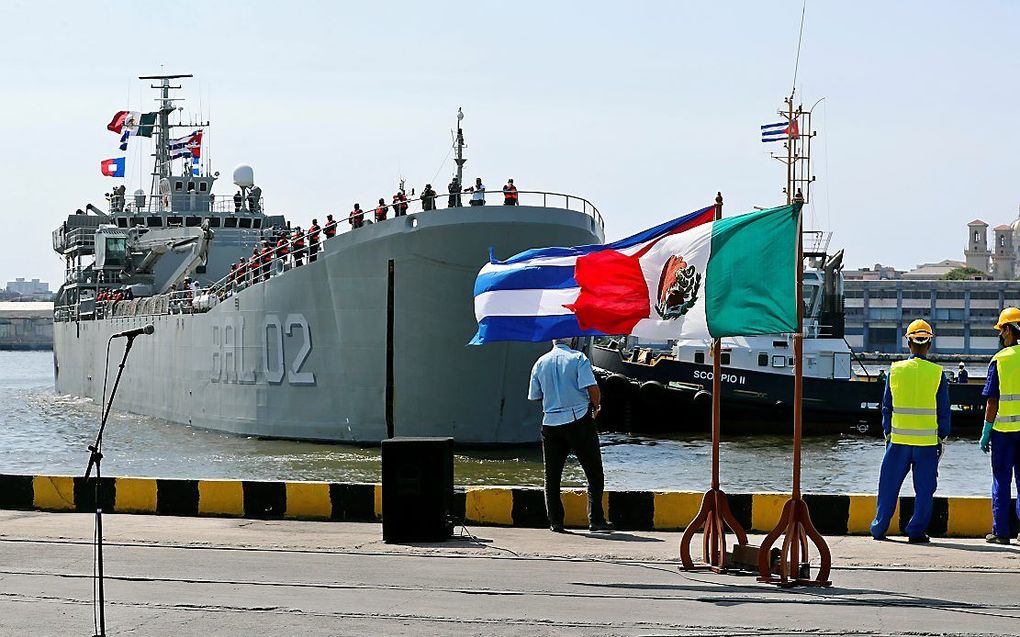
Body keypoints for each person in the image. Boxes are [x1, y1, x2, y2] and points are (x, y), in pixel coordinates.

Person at [870, 320, 950, 543]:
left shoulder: (894, 371)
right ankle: (915, 531)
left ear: (908, 343)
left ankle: (879, 528)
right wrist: (941, 437)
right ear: (929, 344)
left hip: (898, 441)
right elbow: (943, 411)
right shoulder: (937, 373)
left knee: (888, 486)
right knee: (925, 490)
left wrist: (888, 433)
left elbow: (887, 407)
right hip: (926, 444)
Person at [528, 337, 612, 533]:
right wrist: (596, 406)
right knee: (593, 472)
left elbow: (535, 395)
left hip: (550, 423)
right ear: (573, 341)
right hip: (579, 419)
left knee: (552, 476)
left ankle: (556, 522)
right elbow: (592, 388)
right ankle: (596, 520)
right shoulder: (578, 358)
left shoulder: (540, 362)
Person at [980, 307, 1020, 544]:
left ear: (1008, 329)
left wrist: (986, 432)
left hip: (1003, 434)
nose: (1001, 335)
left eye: (1001, 329)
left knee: (1001, 481)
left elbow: (992, 401)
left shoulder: (1000, 360)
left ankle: (1002, 532)